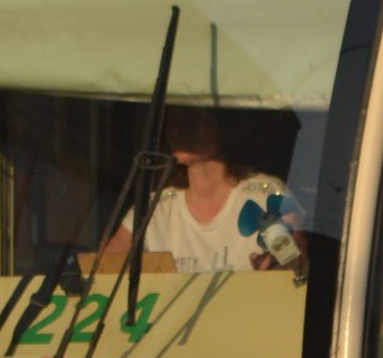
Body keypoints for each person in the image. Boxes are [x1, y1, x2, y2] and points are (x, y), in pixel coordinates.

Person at [107, 106, 301, 274]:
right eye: (172, 117)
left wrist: (279, 264)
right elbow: (103, 271)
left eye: (190, 117)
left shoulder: (266, 194)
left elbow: (298, 263)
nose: (176, 127)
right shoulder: (154, 208)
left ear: (224, 123)